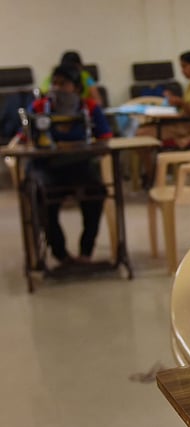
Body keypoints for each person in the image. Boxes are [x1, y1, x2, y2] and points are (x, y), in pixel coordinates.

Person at [25, 64, 112, 266]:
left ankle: (86, 251)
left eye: (63, 84)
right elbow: (25, 139)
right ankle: (60, 253)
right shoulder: (39, 108)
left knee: (96, 192)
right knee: (40, 195)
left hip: (78, 166)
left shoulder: (89, 108)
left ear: (76, 87)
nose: (57, 87)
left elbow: (105, 138)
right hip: (46, 167)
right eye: (54, 83)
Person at [137, 51, 190, 149]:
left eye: (184, 66)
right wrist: (175, 100)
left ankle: (151, 164)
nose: (182, 71)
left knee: (141, 133)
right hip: (185, 123)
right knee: (142, 128)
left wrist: (181, 102)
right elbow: (189, 106)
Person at [39, 51, 103, 105]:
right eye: (55, 84)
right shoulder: (54, 77)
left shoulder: (86, 77)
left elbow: (98, 101)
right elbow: (43, 96)